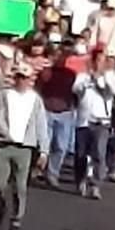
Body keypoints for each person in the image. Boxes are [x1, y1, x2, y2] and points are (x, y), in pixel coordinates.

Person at [0, 63, 50, 230]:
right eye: (19, 77)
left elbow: (41, 125)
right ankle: (0, 210)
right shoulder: (3, 95)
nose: (21, 81)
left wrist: (44, 151)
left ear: (30, 80)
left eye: (25, 78)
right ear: (14, 78)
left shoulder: (35, 100)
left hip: (24, 148)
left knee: (20, 186)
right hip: (3, 145)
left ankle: (17, 219)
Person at [73, 50, 114, 199]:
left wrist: (99, 81)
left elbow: (110, 93)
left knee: (99, 155)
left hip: (101, 122)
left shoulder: (111, 78)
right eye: (97, 60)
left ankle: (95, 185)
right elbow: (76, 91)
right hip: (83, 121)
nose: (99, 64)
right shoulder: (82, 77)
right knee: (80, 154)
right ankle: (80, 180)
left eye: (103, 61)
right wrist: (88, 81)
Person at [37, 37, 77, 188]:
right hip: (47, 111)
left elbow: (76, 93)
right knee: (44, 144)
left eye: (65, 56)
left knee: (61, 146)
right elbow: (39, 89)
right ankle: (40, 169)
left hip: (65, 113)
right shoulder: (47, 73)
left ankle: (53, 174)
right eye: (59, 55)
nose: (62, 59)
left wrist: (72, 108)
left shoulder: (71, 75)